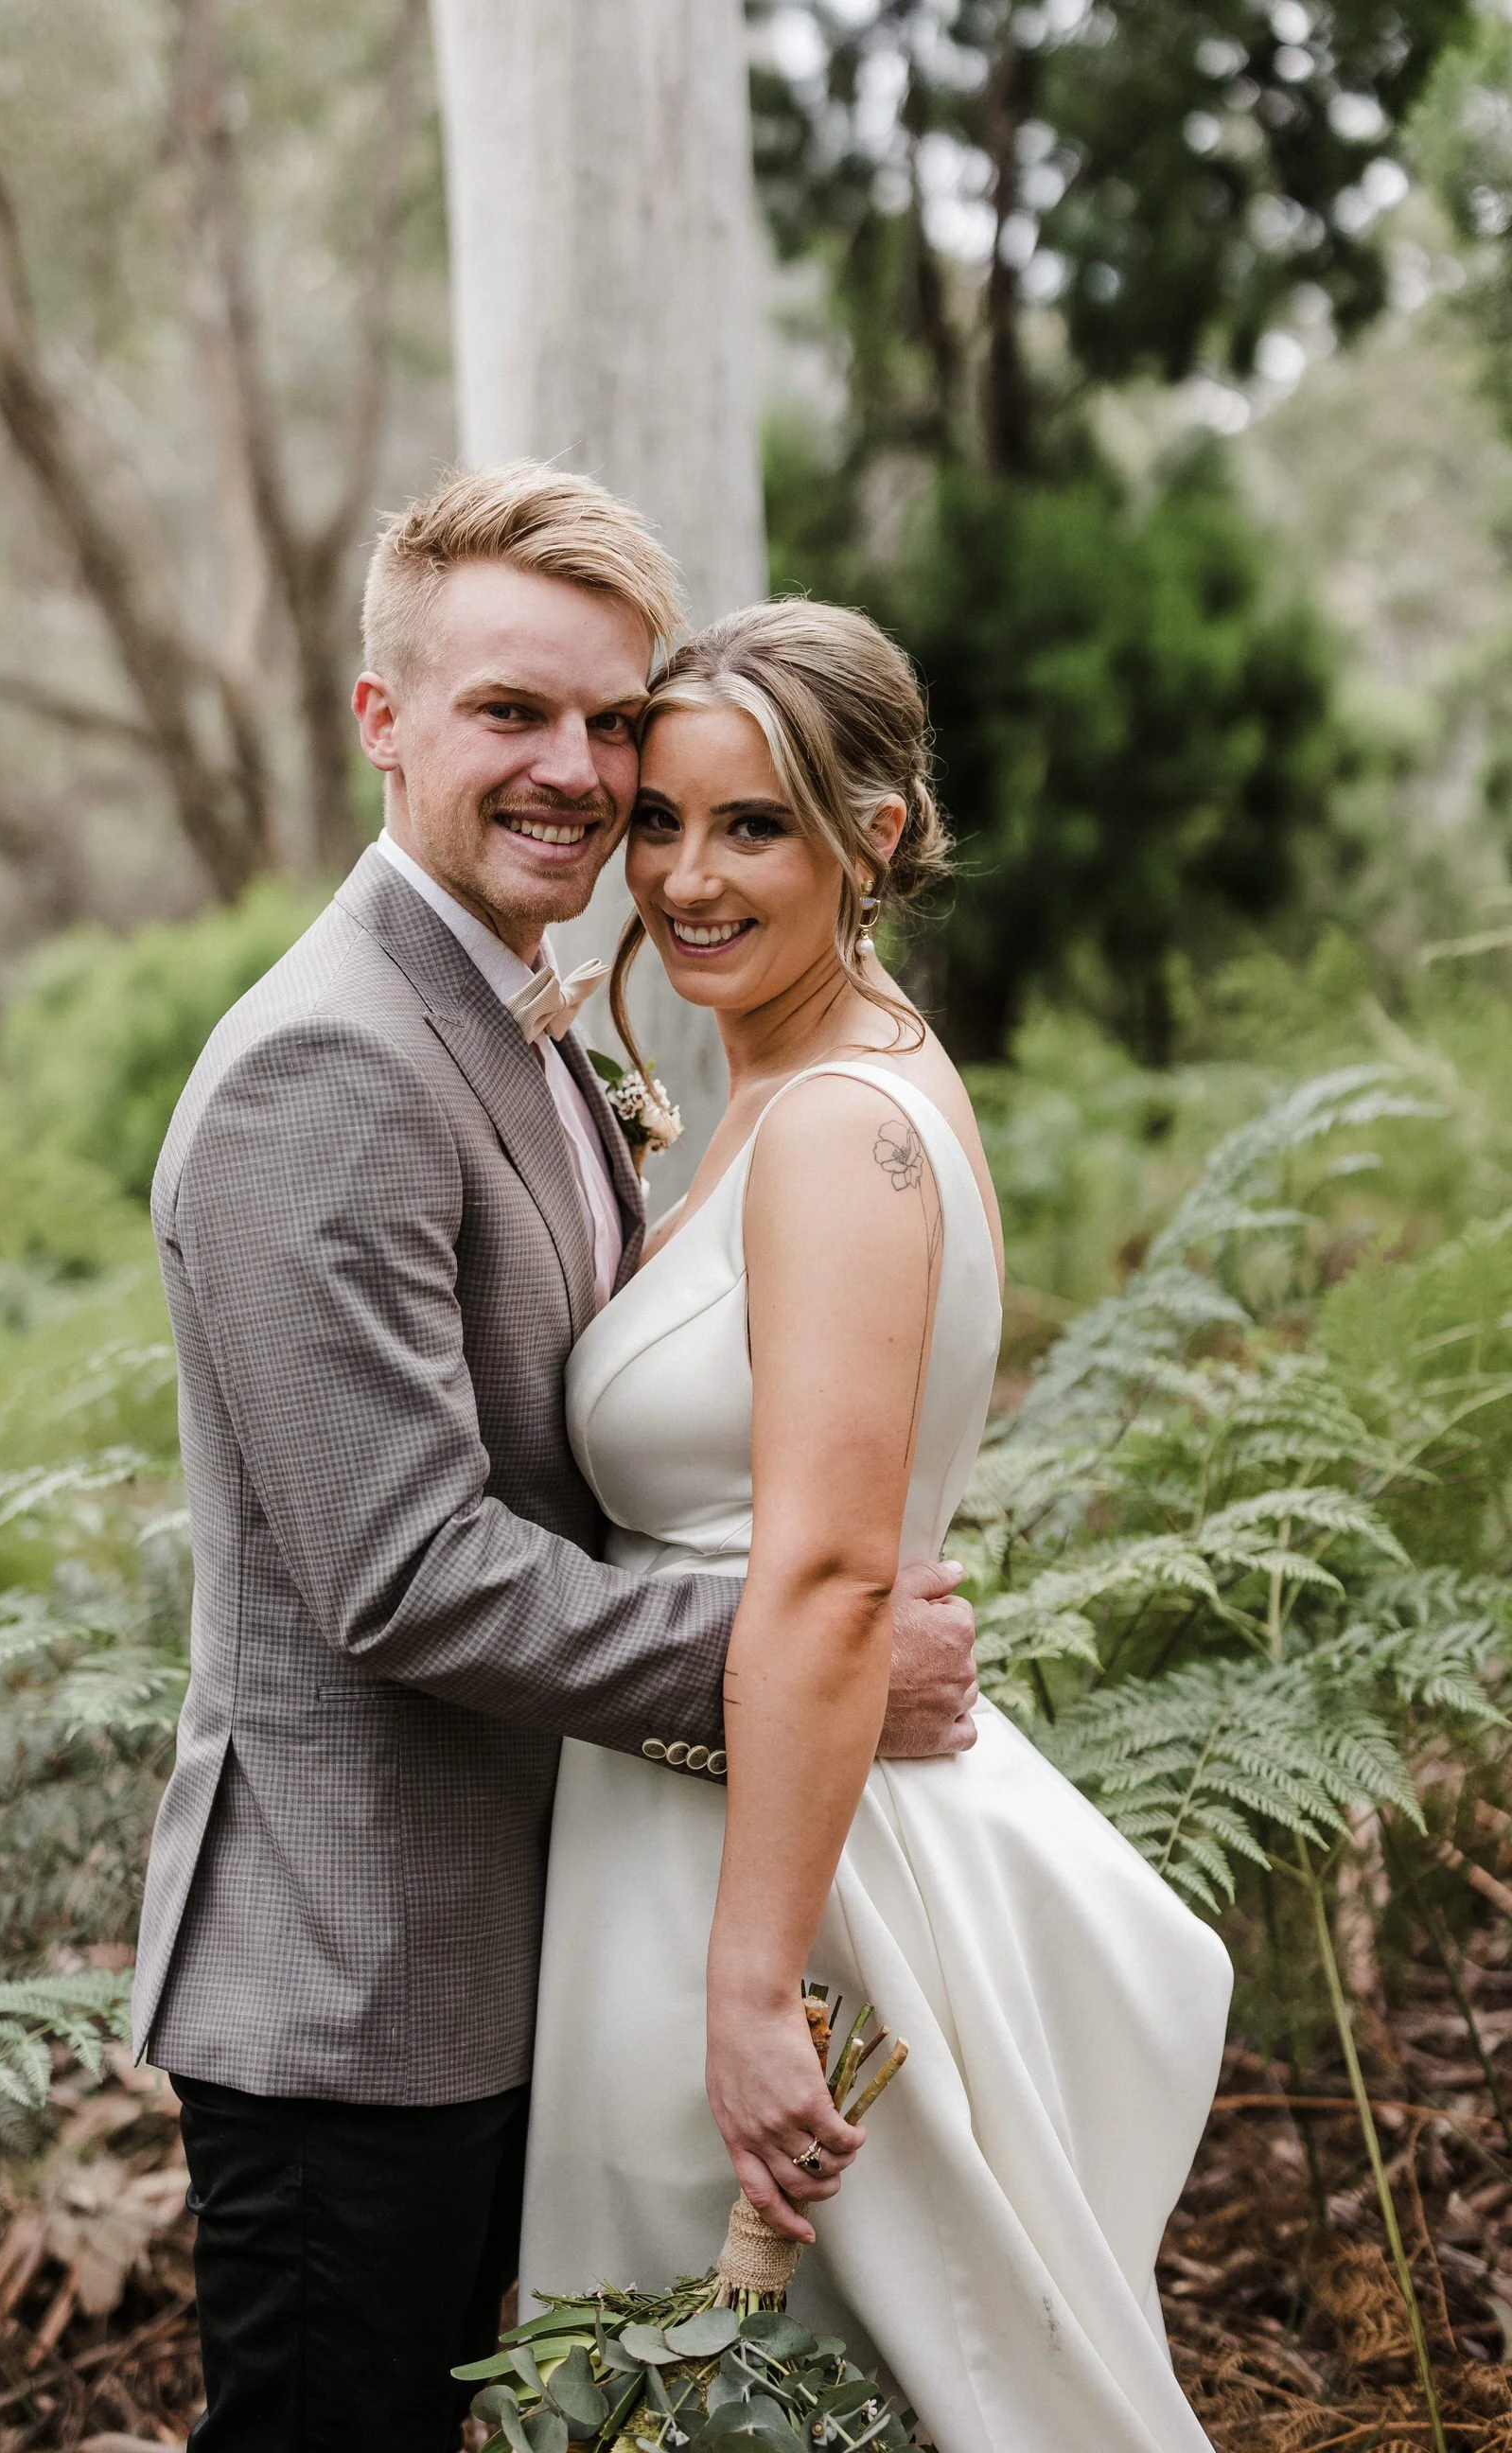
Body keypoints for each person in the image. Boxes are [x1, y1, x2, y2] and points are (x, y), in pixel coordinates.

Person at [130, 465, 979, 2453]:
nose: (579, 774)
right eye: (517, 712)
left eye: (615, 722)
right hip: (359, 1987)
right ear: (383, 721)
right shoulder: (328, 1060)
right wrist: (802, 1663)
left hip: (524, 1942)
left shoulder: (526, 1018)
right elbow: (407, 1572)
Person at [521, 599, 1234, 2452]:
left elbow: (833, 1576)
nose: (684, 878)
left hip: (780, 1887)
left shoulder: (842, 1130)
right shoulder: (815, 1084)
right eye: (658, 823)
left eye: (750, 826)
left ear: (879, 833)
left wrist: (755, 1993)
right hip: (730, 1828)